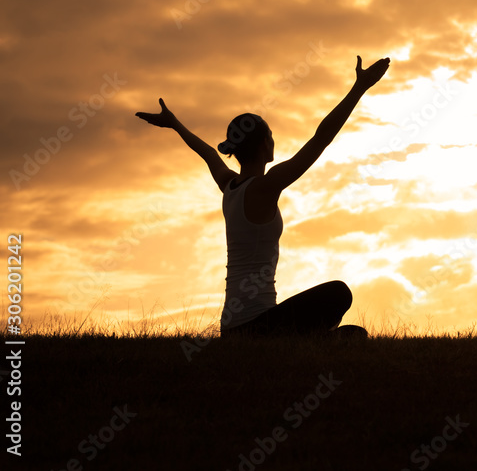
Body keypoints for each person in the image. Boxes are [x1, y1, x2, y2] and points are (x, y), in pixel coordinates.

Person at [135, 55, 390, 338]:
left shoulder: (229, 185)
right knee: (339, 293)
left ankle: (313, 341)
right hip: (256, 328)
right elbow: (321, 137)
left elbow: (208, 152)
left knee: (353, 334)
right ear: (261, 145)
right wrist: (359, 88)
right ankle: (310, 341)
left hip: (233, 329)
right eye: (269, 135)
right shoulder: (265, 187)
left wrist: (174, 123)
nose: (273, 140)